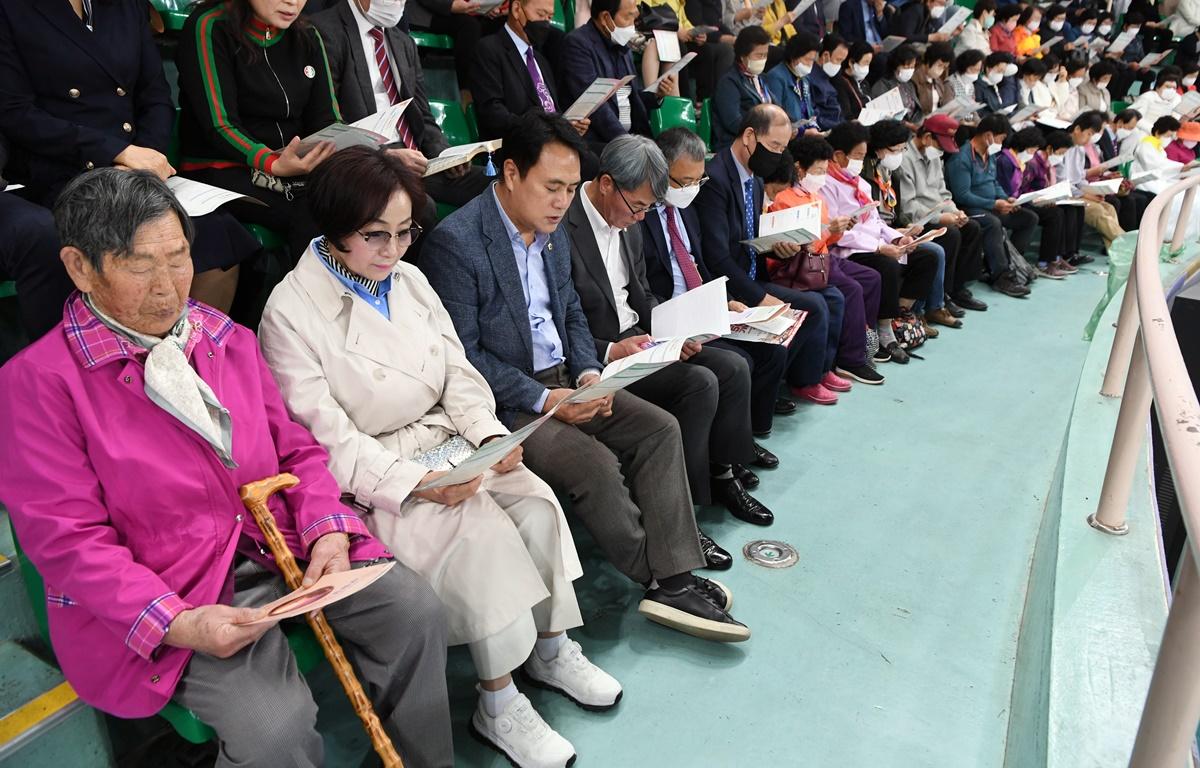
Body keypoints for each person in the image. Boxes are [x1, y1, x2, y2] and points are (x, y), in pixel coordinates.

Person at [0, 168, 453, 768]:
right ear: (81, 268)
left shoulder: (223, 337)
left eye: (180, 257)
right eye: (140, 265)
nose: (169, 287)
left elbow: (295, 449)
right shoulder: (36, 385)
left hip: (279, 545)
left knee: (415, 612)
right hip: (175, 589)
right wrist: (179, 622)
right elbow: (68, 542)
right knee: (274, 727)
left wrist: (326, 530)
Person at [258, 147, 617, 768]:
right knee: (479, 537)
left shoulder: (410, 280)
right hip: (381, 472)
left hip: (450, 440)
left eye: (404, 234)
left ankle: (553, 648)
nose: (392, 250)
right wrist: (416, 483)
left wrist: (486, 438)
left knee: (534, 501)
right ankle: (497, 700)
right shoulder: (289, 312)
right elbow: (327, 441)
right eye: (374, 236)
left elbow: (459, 370)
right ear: (333, 227)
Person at [420, 111, 749, 642]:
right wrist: (547, 397)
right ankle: (662, 576)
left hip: (568, 377)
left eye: (570, 190)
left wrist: (591, 372)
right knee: (593, 465)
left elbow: (569, 310)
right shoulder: (456, 242)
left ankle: (675, 577)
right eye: (551, 187)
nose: (562, 202)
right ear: (509, 173)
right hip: (508, 398)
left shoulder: (549, 234)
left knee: (659, 428)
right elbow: (465, 356)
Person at [565, 135, 777, 534]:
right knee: (699, 384)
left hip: (640, 334)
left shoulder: (626, 218)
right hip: (602, 351)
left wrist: (676, 329)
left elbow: (641, 292)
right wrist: (609, 349)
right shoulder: (564, 222)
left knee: (732, 367)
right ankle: (686, 514)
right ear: (606, 183)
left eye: (648, 208)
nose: (642, 217)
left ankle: (722, 474)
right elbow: (565, 319)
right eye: (638, 207)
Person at [0, 0, 259, 323]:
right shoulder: (12, 9)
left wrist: (146, 157)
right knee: (129, 241)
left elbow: (155, 96)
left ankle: (189, 359)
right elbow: (15, 113)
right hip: (62, 168)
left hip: (134, 168)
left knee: (217, 233)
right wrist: (114, 153)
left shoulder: (125, 5)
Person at [644, 128, 801, 436]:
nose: (691, 189)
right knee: (737, 363)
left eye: (696, 181)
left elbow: (700, 263)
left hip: (703, 305)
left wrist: (724, 300)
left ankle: (754, 432)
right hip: (672, 312)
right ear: (659, 171)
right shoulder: (642, 215)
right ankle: (727, 459)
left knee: (774, 347)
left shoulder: (685, 211)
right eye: (683, 182)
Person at [694, 104, 847, 404]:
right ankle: (766, 392)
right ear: (750, 136)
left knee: (819, 304)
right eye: (774, 146)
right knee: (809, 307)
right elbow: (716, 256)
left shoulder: (753, 176)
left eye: (783, 148)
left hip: (753, 272)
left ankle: (780, 384)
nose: (778, 156)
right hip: (727, 285)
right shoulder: (716, 179)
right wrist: (759, 297)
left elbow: (749, 238)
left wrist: (780, 247)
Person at [177, 0, 342, 259]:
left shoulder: (308, 34)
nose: (293, 2)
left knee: (373, 195)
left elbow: (327, 119)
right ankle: (311, 297)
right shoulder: (211, 25)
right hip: (223, 168)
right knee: (316, 210)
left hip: (293, 167)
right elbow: (220, 124)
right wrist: (272, 163)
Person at [312, 0, 490, 209]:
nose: (398, 3)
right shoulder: (324, 31)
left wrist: (445, 155)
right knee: (422, 207)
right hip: (365, 161)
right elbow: (327, 122)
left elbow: (423, 115)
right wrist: (383, 156)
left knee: (498, 184)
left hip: (414, 158)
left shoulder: (403, 42)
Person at [768, 135, 887, 384]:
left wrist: (838, 229)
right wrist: (828, 230)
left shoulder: (816, 197)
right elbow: (804, 245)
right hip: (805, 263)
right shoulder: (784, 199)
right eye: (818, 170)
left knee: (872, 278)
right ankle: (848, 361)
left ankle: (867, 345)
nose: (822, 176)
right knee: (849, 291)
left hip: (822, 257)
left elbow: (825, 241)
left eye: (825, 170)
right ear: (799, 168)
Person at [821, 121, 939, 364]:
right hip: (848, 249)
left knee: (928, 256)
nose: (861, 162)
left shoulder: (859, 183)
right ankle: (884, 330)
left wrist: (897, 237)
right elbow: (839, 232)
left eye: (864, 156)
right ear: (838, 155)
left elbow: (875, 222)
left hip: (875, 243)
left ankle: (900, 314)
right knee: (887, 265)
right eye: (857, 156)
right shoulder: (827, 184)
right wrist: (879, 247)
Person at [894, 114, 989, 314]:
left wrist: (956, 212)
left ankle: (958, 288)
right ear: (927, 137)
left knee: (971, 226)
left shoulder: (934, 157)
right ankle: (942, 296)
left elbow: (943, 193)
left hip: (939, 214)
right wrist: (940, 218)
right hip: (917, 220)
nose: (942, 151)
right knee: (951, 233)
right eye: (940, 145)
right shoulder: (904, 160)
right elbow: (908, 208)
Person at [472, 0, 593, 144]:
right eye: (541, 14)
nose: (545, 24)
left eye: (549, 18)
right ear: (517, 9)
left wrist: (569, 126)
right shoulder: (489, 50)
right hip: (520, 147)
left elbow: (552, 110)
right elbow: (493, 113)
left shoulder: (541, 60)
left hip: (553, 144)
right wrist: (546, 129)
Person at [559, 0, 678, 146]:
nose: (632, 25)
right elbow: (595, 107)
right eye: (627, 18)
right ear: (605, 18)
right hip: (600, 142)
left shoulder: (622, 45)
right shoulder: (578, 44)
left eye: (634, 18)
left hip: (631, 137)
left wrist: (656, 93)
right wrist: (629, 145)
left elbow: (630, 97)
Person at [944, 113, 1036, 297]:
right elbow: (962, 195)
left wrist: (1006, 198)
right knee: (993, 223)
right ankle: (1000, 277)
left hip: (991, 205)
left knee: (1028, 218)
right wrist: (993, 203)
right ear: (988, 136)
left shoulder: (989, 154)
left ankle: (1015, 265)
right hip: (969, 208)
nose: (1001, 144)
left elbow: (993, 182)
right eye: (1000, 139)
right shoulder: (961, 158)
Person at [998, 126, 1075, 278]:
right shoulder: (1022, 163)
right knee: (1053, 215)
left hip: (1024, 199)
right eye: (1032, 150)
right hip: (1020, 201)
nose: (1032, 154)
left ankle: (1057, 257)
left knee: (1064, 210)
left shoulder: (1030, 162)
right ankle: (1043, 262)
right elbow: (1017, 187)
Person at [637, 0, 734, 101]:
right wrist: (676, 30)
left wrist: (696, 33)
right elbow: (645, 12)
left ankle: (702, 102)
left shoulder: (678, 2)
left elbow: (685, 22)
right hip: (657, 34)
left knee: (705, 50)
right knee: (679, 48)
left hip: (680, 37)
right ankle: (683, 99)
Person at [1020, 129, 1085, 274]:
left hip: (1043, 200)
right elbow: (1023, 188)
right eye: (1060, 153)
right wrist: (1041, 198)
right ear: (1049, 148)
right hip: (1029, 202)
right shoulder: (1033, 163)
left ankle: (1060, 256)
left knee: (1072, 208)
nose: (1061, 157)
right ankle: (1045, 262)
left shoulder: (1048, 164)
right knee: (1055, 214)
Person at [1061, 111, 1126, 255]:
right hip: (1066, 194)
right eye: (1089, 133)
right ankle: (1128, 246)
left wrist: (1092, 191)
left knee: (1109, 208)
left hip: (1078, 192)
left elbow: (1079, 178)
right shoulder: (1063, 147)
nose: (1089, 138)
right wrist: (1086, 194)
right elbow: (1063, 182)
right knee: (1097, 211)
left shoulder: (1078, 149)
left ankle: (1116, 252)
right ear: (1077, 129)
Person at [406, 0, 500, 96]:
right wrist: (450, 5)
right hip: (426, 13)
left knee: (497, 24)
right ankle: (467, 93)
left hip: (467, 12)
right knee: (470, 27)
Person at [713, 27, 775, 150]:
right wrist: (764, 133)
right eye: (759, 55)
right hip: (739, 144)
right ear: (743, 56)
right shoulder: (729, 82)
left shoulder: (760, 78)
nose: (763, 59)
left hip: (764, 140)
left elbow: (777, 108)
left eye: (765, 55)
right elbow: (734, 123)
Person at [763, 32, 822, 132]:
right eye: (807, 60)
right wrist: (803, 132)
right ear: (794, 56)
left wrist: (813, 127)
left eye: (812, 60)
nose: (810, 65)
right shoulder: (776, 77)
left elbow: (810, 111)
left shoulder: (804, 78)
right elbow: (775, 117)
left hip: (808, 134)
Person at [871, 45, 923, 128]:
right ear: (896, 65)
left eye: (912, 67)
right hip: (893, 131)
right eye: (906, 66)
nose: (910, 70)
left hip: (912, 129)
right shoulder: (882, 86)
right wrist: (908, 125)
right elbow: (883, 117)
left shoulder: (910, 84)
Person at [808, 35, 850, 133]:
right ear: (825, 55)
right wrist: (841, 127)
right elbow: (815, 116)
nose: (838, 66)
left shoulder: (827, 76)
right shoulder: (811, 78)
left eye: (841, 62)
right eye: (838, 60)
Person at [834, 42, 874, 122]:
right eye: (865, 63)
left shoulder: (864, 83)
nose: (867, 67)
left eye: (869, 64)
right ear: (851, 62)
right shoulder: (841, 83)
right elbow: (847, 114)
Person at [914, 43, 956, 117]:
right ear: (929, 60)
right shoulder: (915, 78)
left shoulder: (938, 82)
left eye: (944, 67)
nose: (941, 70)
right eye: (939, 65)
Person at [950, 50, 987, 123]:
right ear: (964, 66)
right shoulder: (951, 82)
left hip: (969, 122)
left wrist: (979, 123)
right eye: (973, 70)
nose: (975, 74)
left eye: (978, 71)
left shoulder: (971, 85)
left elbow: (972, 109)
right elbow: (947, 110)